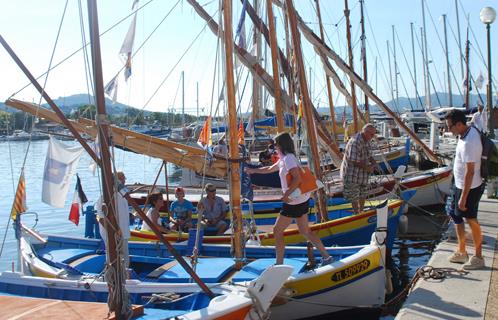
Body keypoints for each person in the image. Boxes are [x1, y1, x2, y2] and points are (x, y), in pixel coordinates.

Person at [245, 132, 332, 266]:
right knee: (305, 231)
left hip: (293, 201)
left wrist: (286, 195)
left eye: (275, 144)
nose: (274, 147)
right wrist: (253, 171)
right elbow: (269, 169)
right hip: (300, 199)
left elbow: (296, 178)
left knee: (277, 230)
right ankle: (326, 256)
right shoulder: (284, 159)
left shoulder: (289, 159)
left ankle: (279, 263)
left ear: (281, 145)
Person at [445, 109, 485, 270]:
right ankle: (462, 251)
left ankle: (479, 257)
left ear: (460, 124)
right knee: (455, 215)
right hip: (459, 185)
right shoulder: (465, 134)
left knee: (471, 220)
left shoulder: (470, 142)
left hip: (470, 188)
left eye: (450, 126)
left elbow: (470, 171)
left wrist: (463, 197)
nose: (448, 130)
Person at [340, 124, 379, 214]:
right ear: (365, 132)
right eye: (371, 135)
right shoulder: (355, 142)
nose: (373, 137)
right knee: (354, 196)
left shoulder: (367, 140)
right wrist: (368, 167)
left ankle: (361, 211)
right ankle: (356, 213)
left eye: (373, 134)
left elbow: (369, 154)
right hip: (352, 174)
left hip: (362, 175)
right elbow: (354, 160)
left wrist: (373, 162)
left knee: (363, 194)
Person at [95, 171, 131, 268]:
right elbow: (100, 217)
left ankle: (124, 278)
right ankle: (112, 277)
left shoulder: (123, 196)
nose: (124, 180)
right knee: (113, 259)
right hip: (114, 235)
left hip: (124, 233)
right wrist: (113, 231)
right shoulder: (106, 197)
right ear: (116, 180)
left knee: (125, 260)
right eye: (122, 178)